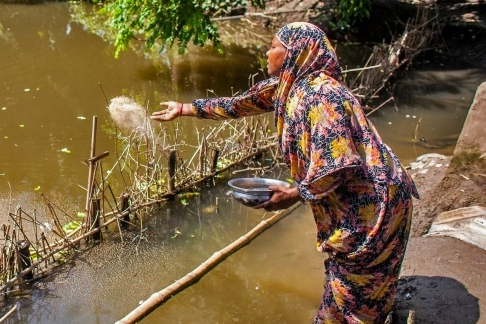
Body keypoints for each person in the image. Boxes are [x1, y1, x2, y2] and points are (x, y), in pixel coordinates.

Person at [151, 22, 419, 324]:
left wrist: (293, 194)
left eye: (274, 46)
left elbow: (338, 163)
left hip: (375, 209)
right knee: (363, 297)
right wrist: (186, 108)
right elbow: (241, 104)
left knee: (346, 309)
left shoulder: (321, 96)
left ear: (294, 53)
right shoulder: (292, 86)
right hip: (368, 203)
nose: (268, 52)